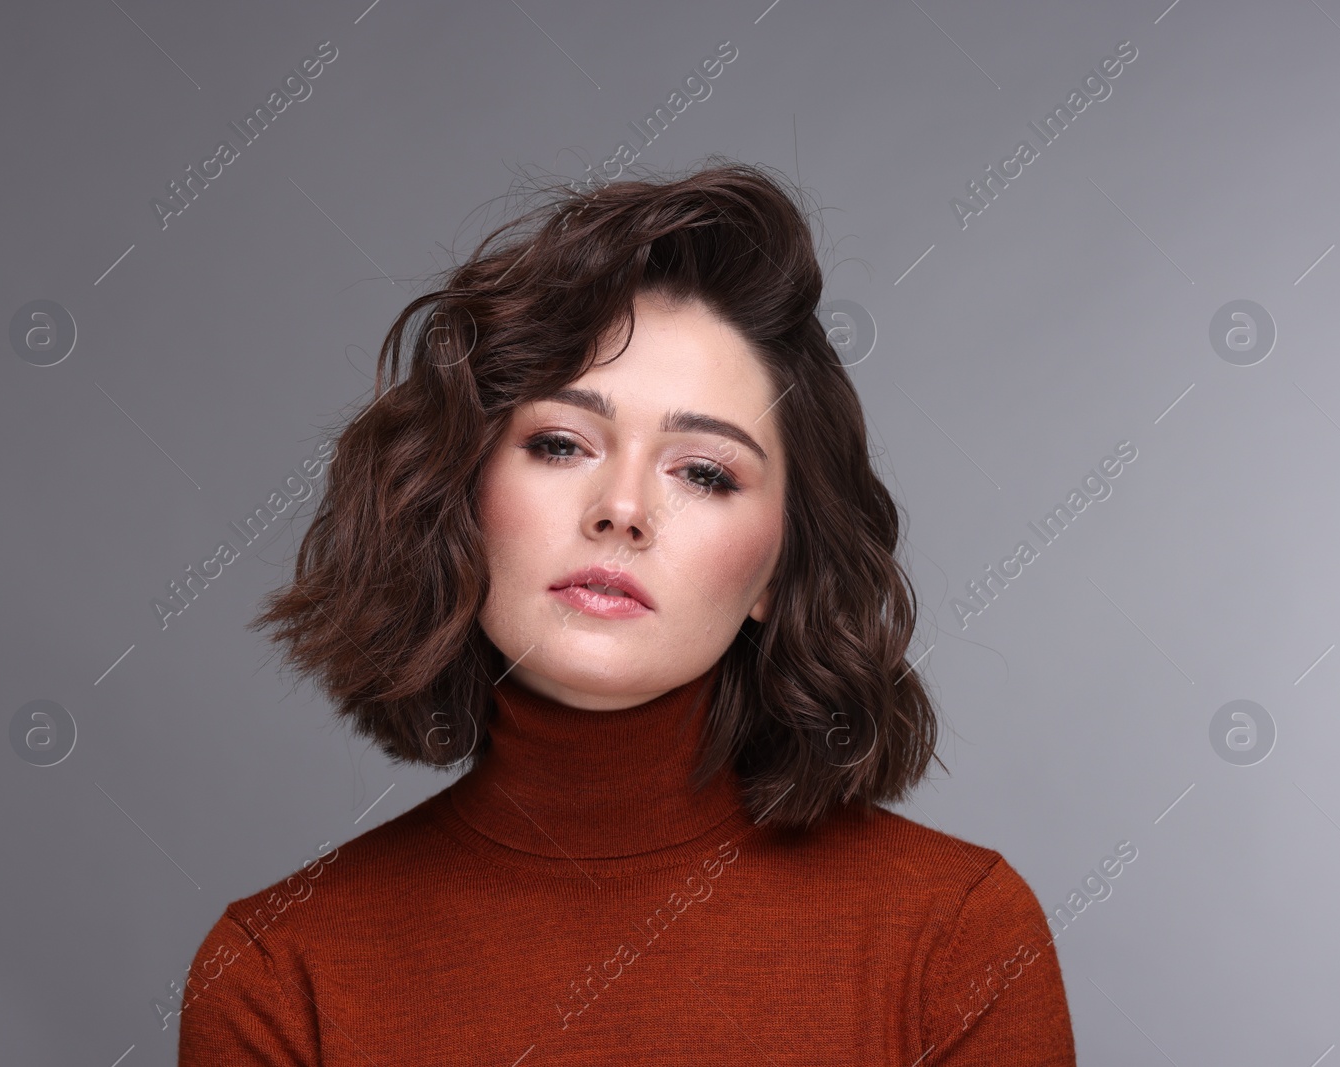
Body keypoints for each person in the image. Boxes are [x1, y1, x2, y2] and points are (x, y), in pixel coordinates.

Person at [177, 160, 1076, 1065]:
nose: (624, 508)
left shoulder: (958, 940)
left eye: (705, 471)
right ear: (461, 500)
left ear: (777, 568)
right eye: (561, 443)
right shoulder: (280, 976)